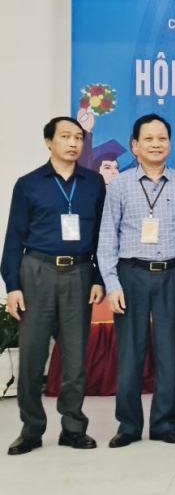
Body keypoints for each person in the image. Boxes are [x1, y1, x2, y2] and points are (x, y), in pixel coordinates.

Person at [2, 117, 106, 455]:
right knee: (32, 356)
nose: (73, 143)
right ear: (49, 142)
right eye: (65, 136)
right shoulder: (28, 184)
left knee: (75, 358)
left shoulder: (94, 183)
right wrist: (13, 286)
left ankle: (73, 427)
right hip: (38, 271)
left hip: (80, 273)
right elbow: (14, 238)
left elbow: (103, 236)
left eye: (78, 137)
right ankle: (31, 429)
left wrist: (99, 278)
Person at [97, 115, 175, 448]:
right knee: (130, 354)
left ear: (170, 143)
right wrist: (112, 284)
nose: (156, 144)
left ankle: (165, 424)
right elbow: (107, 237)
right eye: (149, 139)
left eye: (162, 138)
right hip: (132, 275)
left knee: (170, 354)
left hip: (174, 275)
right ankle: (128, 426)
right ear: (135, 145)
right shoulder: (121, 185)